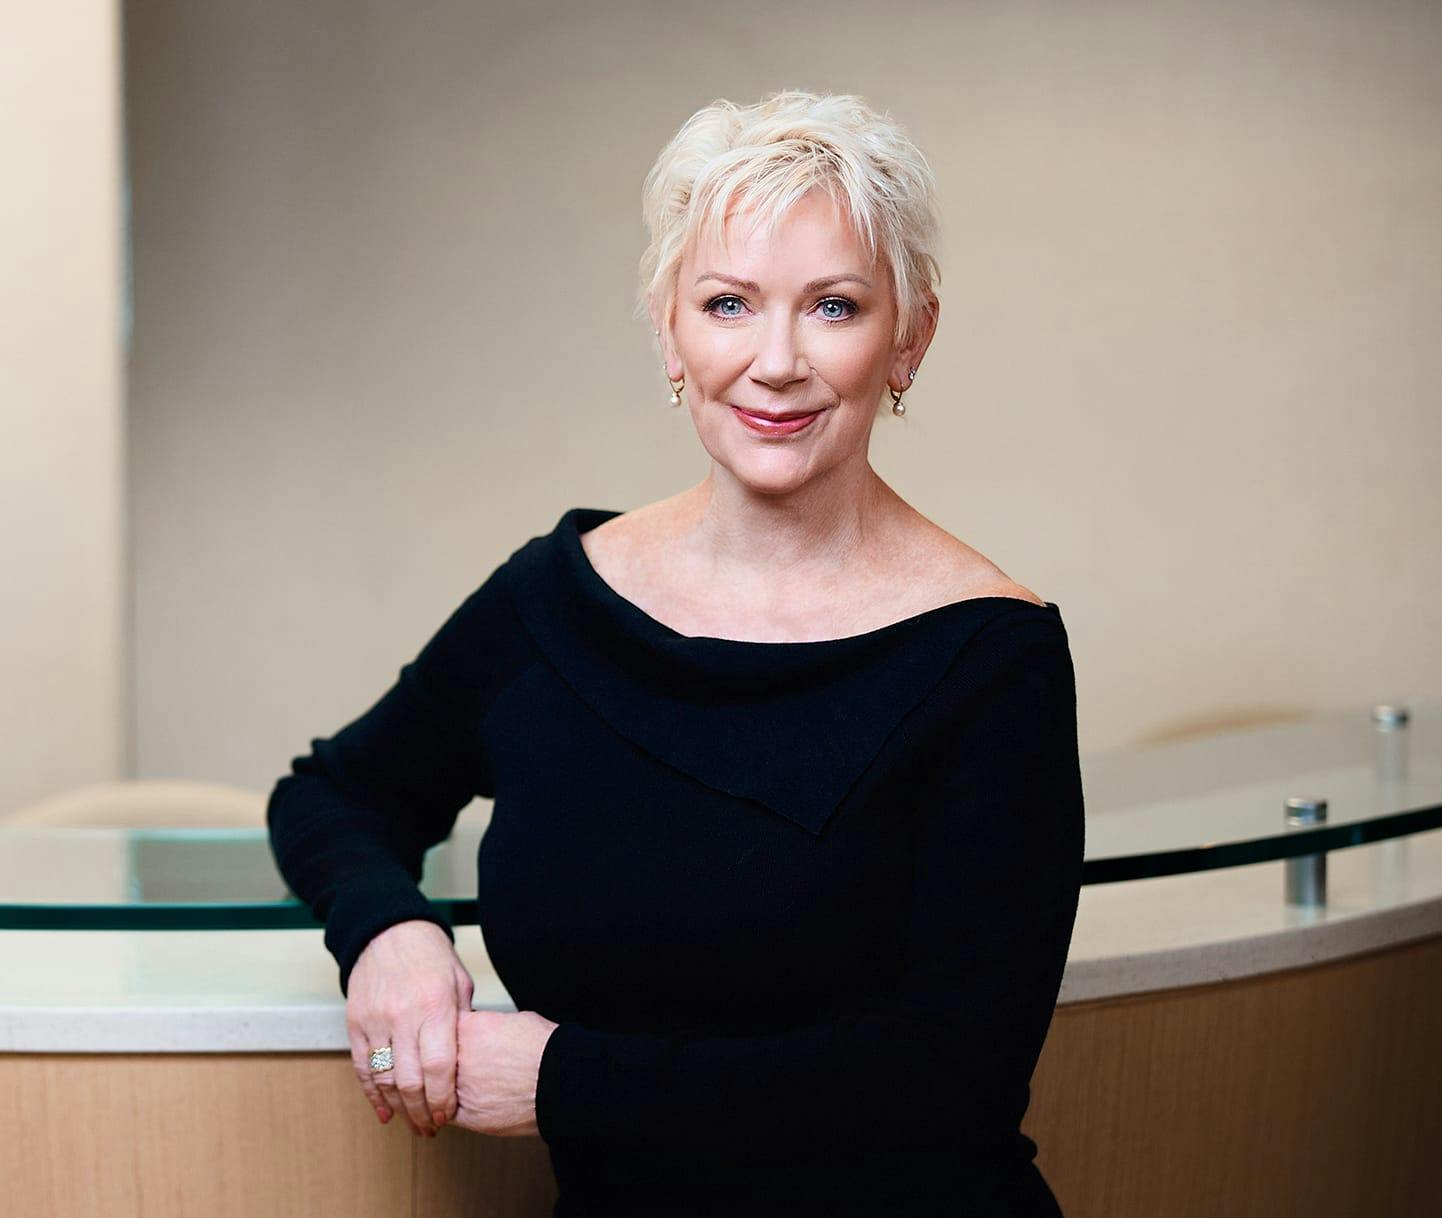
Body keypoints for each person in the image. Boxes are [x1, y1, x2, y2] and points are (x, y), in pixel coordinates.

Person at [267, 89, 1085, 1218]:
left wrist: (557, 1082)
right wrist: (389, 932)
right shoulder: (554, 599)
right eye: (727, 304)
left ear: (909, 337)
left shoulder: (992, 660)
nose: (776, 361)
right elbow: (336, 793)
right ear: (667, 329)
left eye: (834, 307)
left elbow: (945, 1084)